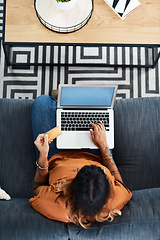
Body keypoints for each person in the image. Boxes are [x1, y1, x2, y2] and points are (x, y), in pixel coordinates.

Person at [29, 95, 132, 229]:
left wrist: (43, 155)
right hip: (96, 152)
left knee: (42, 102)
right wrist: (104, 147)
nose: (79, 167)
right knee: (98, 109)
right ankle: (69, 101)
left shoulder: (52, 204)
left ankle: (63, 100)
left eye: (80, 170)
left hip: (55, 154)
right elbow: (120, 185)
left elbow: (37, 188)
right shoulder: (113, 200)